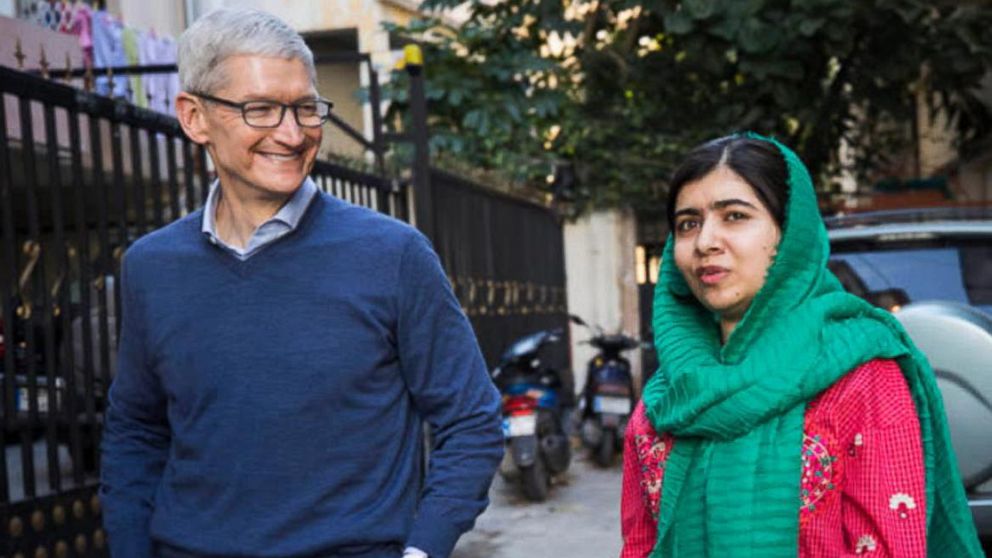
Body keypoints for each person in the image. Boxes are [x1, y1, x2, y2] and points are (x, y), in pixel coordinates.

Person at [100, 9, 503, 558]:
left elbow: (472, 421)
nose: (291, 134)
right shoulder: (150, 266)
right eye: (261, 109)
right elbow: (135, 430)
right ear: (194, 118)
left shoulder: (393, 254)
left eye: (306, 108)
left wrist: (422, 550)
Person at [620, 133, 982, 557]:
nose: (705, 242)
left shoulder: (861, 379)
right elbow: (639, 547)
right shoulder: (666, 401)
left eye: (734, 216)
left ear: (790, 234)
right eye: (688, 223)